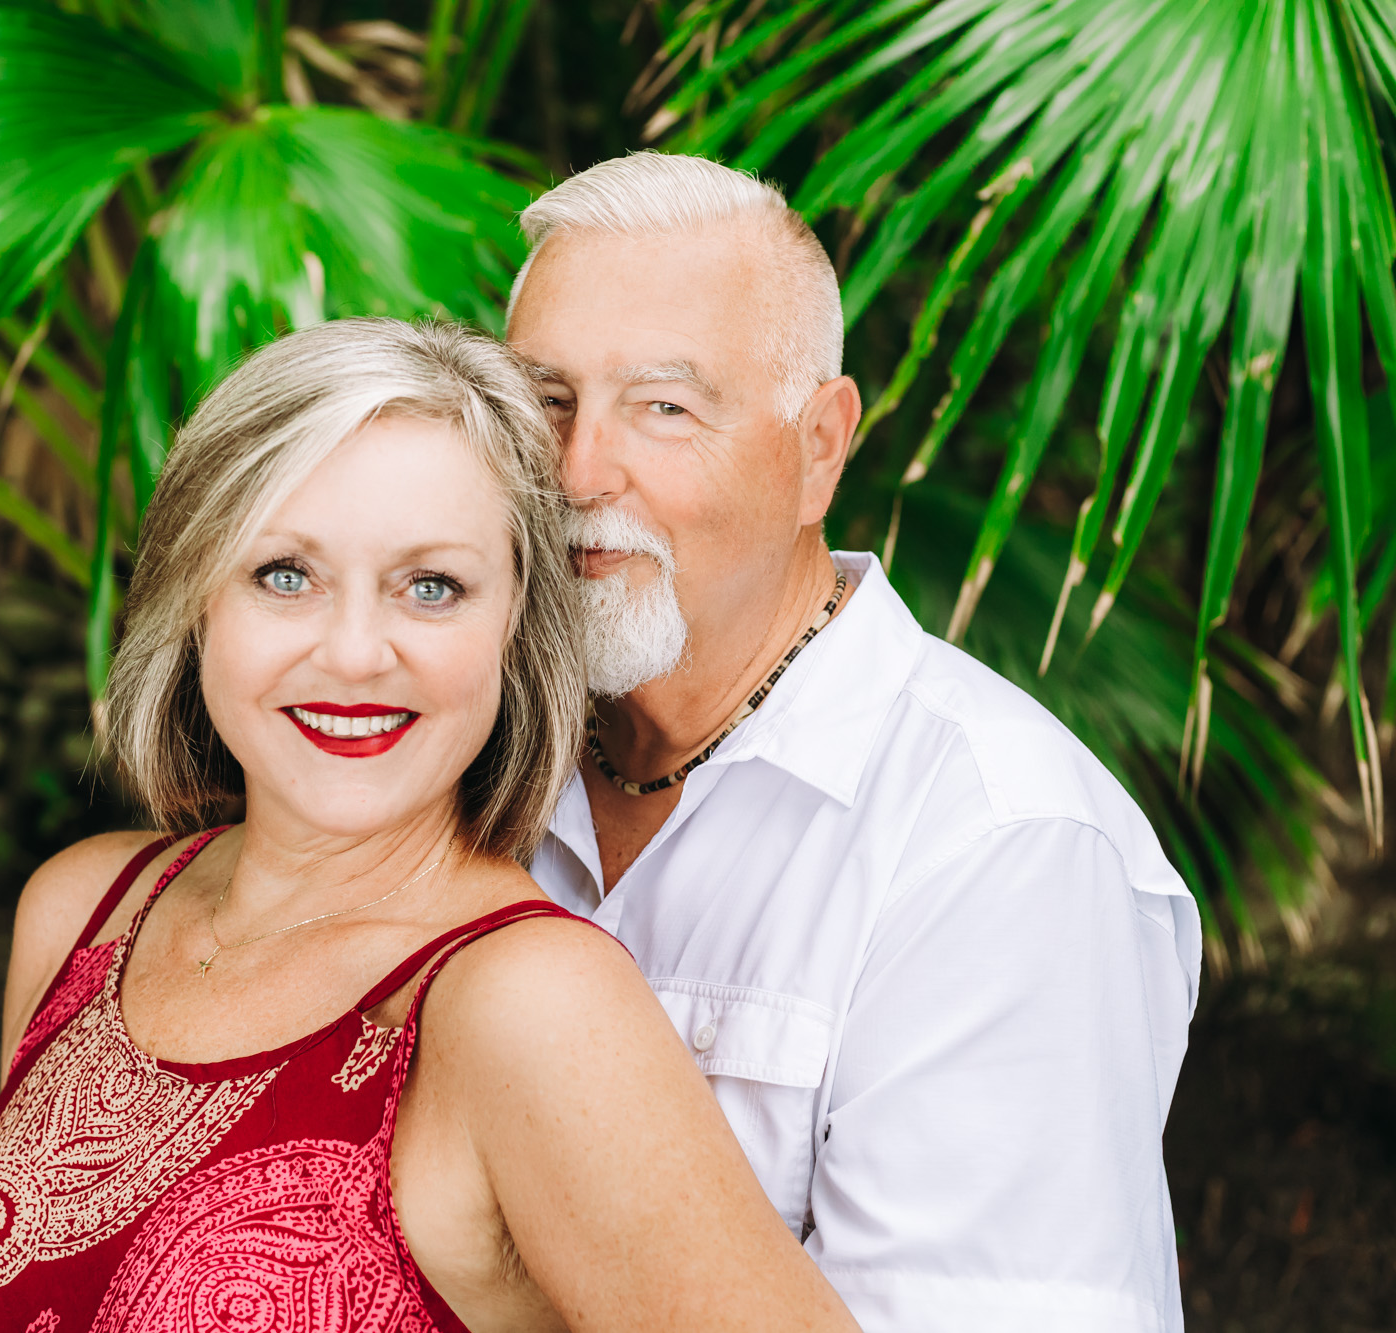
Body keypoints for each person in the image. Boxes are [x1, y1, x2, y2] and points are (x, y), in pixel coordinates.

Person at [0, 318, 859, 1332]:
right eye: (285, 574)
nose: (356, 652)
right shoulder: (84, 911)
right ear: (197, 603)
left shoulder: (529, 1004)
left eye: (431, 586)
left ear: (513, 629)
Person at [506, 151, 1203, 1332]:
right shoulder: (469, 754)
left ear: (818, 447)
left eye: (664, 408)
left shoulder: (994, 842)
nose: (579, 473)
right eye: (545, 401)